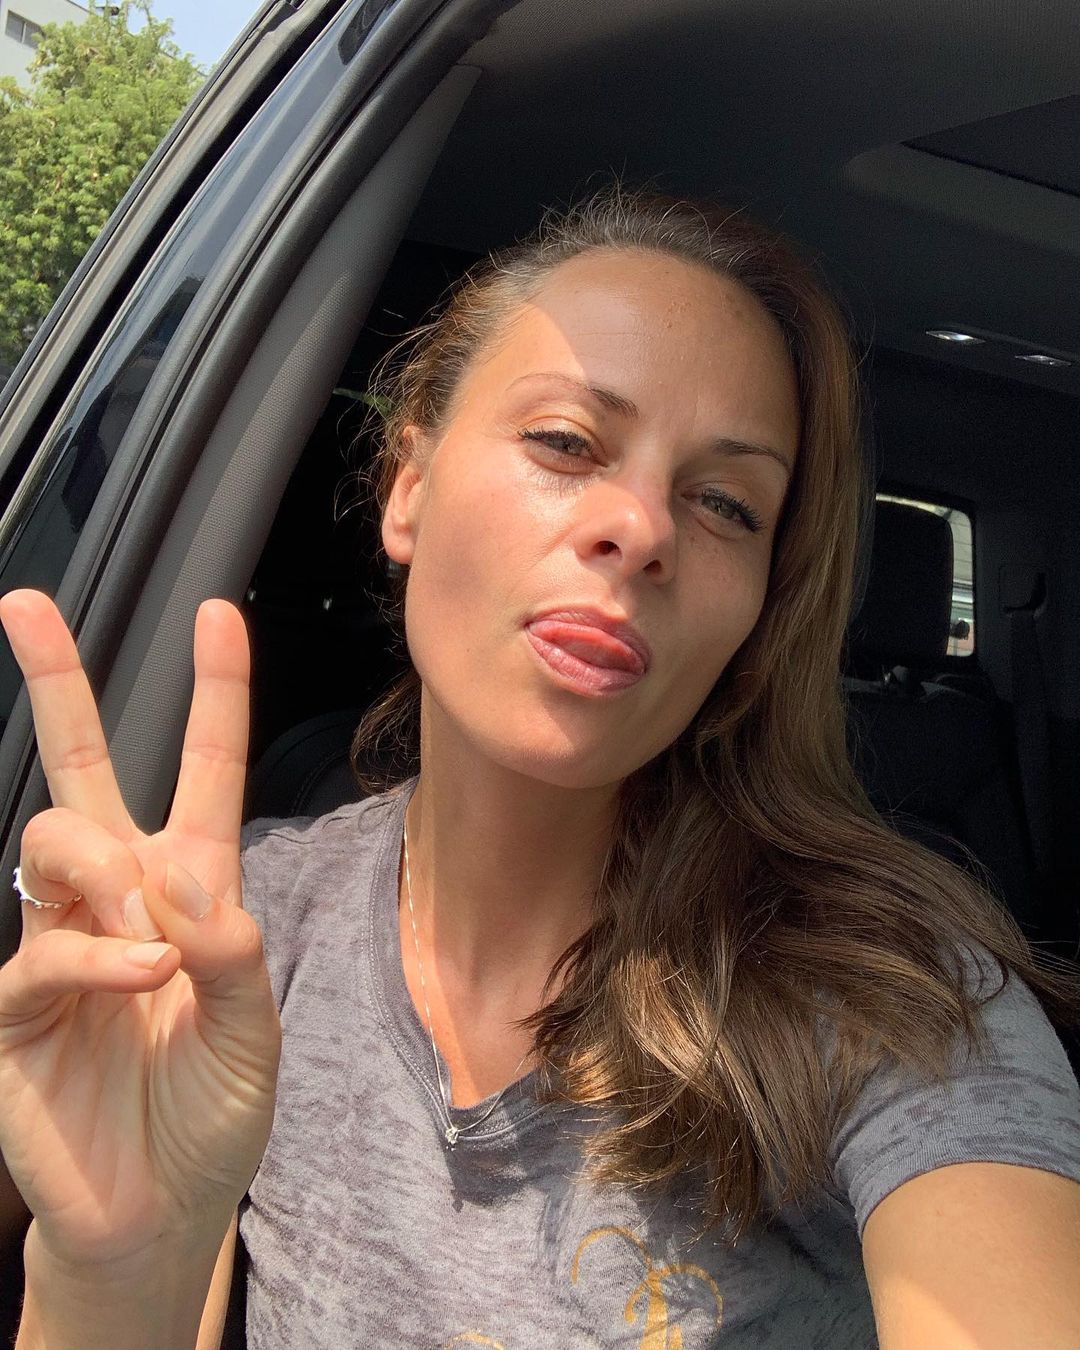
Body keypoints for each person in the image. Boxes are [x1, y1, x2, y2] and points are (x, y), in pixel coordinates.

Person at [0, 186, 1078, 1349]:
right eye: (566, 442)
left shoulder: (897, 1006)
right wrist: (119, 1266)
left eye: (727, 503)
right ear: (409, 486)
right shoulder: (233, 942)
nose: (643, 527)